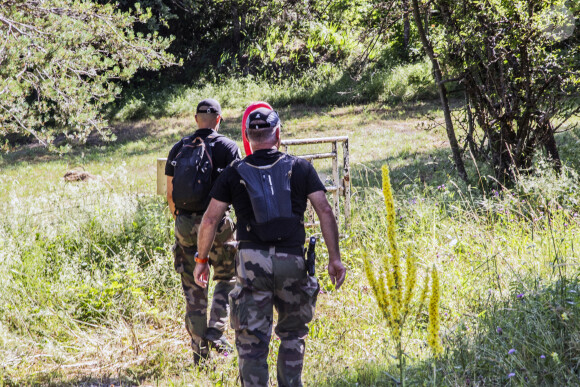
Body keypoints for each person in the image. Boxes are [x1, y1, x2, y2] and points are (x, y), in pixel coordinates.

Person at [194, 107, 346, 386]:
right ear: (277, 135)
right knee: (292, 335)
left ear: (249, 138)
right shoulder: (301, 167)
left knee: (252, 340)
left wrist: (201, 260)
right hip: (292, 261)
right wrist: (334, 259)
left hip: (252, 264)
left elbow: (210, 219)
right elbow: (324, 209)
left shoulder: (234, 171)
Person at [165, 98, 241, 364]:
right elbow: (238, 190)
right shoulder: (229, 148)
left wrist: (182, 220)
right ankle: (216, 330)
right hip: (218, 224)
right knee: (228, 276)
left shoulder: (178, 148)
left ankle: (199, 352)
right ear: (219, 119)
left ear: (196, 119)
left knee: (192, 288)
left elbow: (170, 193)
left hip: (185, 225)